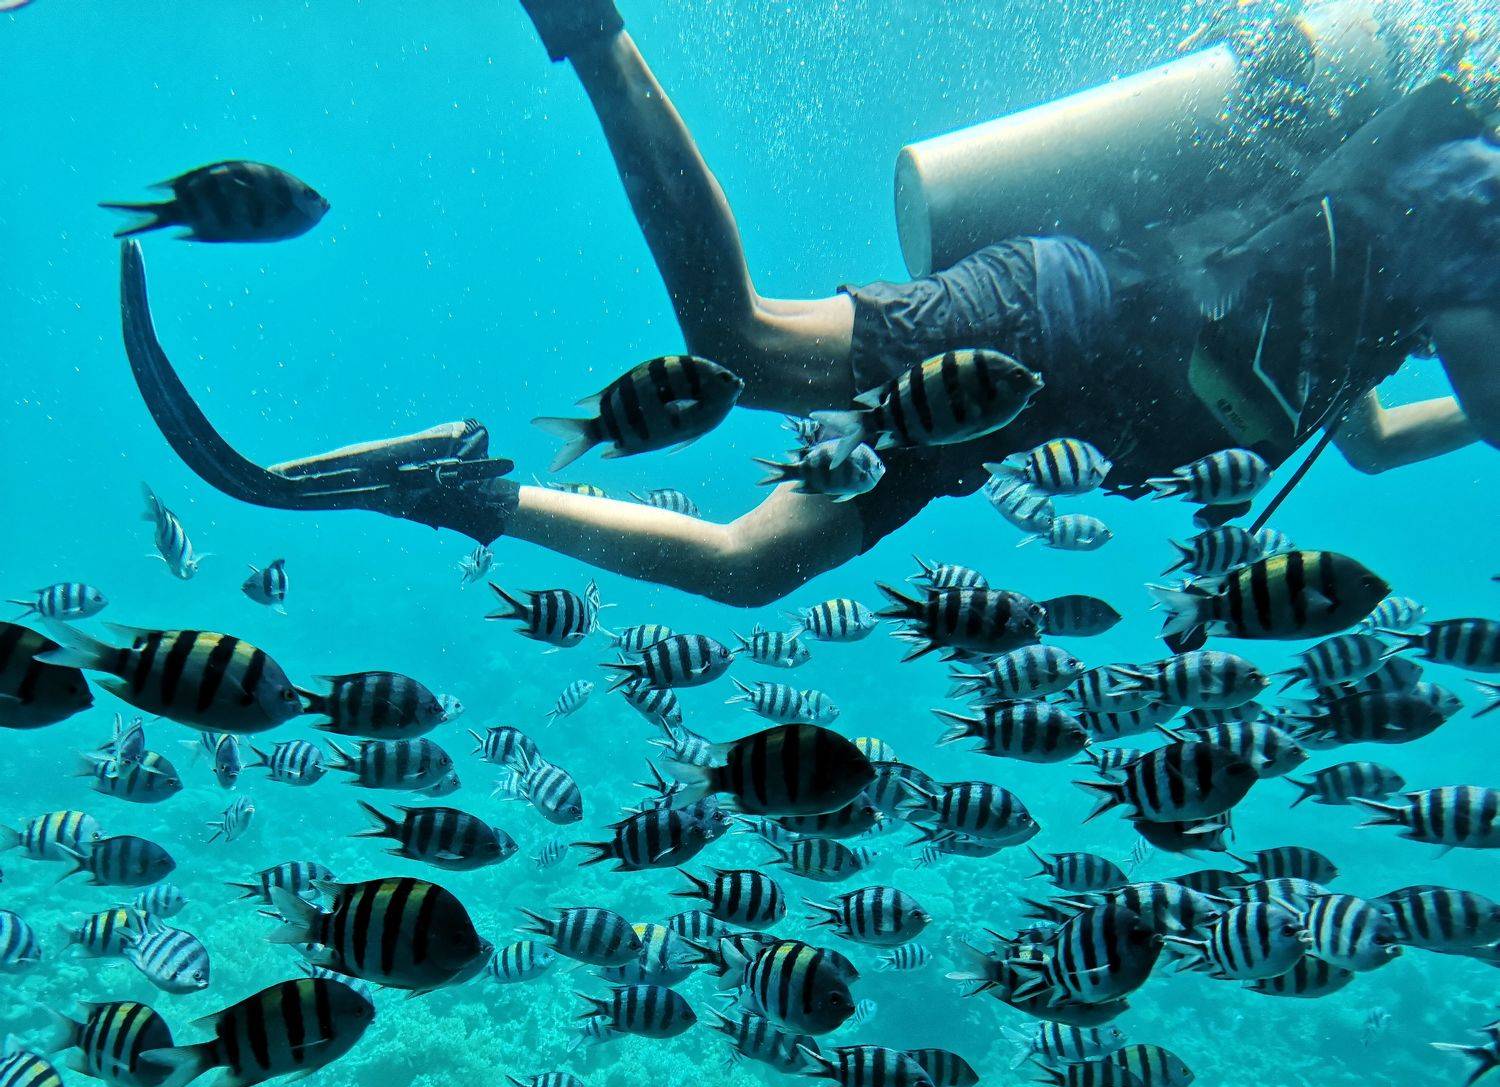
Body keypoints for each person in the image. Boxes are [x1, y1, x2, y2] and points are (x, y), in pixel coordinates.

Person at [121, 1, 1499, 607]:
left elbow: (1369, 434)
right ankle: (588, 28)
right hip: (1060, 318)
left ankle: (453, 488)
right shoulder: (1470, 174)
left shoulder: (1415, 224)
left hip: (1068, 415)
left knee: (746, 567)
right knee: (746, 344)